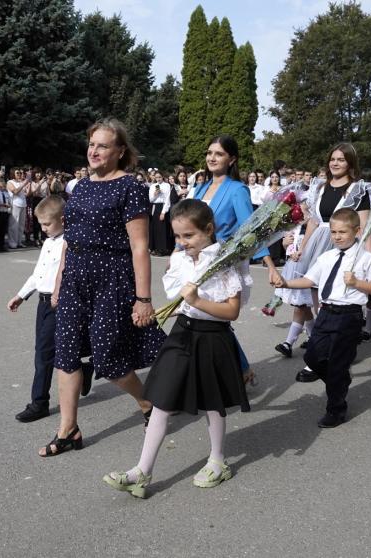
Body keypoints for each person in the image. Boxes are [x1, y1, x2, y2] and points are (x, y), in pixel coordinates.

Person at [103, 199, 250, 498]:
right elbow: (183, 302)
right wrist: (164, 311)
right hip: (182, 334)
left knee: (212, 401)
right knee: (161, 399)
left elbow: (231, 311)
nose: (182, 243)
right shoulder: (181, 258)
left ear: (208, 230)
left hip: (212, 337)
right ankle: (142, 470)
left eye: (189, 236)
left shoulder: (223, 260)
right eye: (178, 236)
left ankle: (218, 460)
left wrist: (196, 302)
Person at [40, 118, 166, 457]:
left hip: (111, 278)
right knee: (65, 354)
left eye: (103, 145)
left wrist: (143, 298)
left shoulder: (130, 187)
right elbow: (70, 239)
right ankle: (68, 430)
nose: (94, 151)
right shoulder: (79, 187)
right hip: (75, 279)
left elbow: (140, 247)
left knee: (109, 359)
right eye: (92, 144)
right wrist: (59, 282)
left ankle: (147, 402)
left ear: (120, 151)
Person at [272, 208, 371, 427]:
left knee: (337, 364)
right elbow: (309, 280)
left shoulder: (366, 259)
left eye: (342, 232)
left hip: (349, 315)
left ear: (357, 231)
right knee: (312, 358)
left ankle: (336, 408)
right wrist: (285, 283)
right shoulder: (327, 256)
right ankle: (340, 381)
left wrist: (357, 283)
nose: (337, 236)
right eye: (333, 232)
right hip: (325, 313)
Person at [274, 143, 370, 382]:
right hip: (318, 245)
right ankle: (320, 355)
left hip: (343, 245)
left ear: (350, 163)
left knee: (338, 301)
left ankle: (339, 352)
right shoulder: (320, 187)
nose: (335, 163)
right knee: (317, 302)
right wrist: (302, 249)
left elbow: (365, 228)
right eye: (332, 159)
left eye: (341, 159)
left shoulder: (359, 189)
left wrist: (366, 260)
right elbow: (314, 223)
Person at [192, 135, 281, 384]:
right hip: (195, 261)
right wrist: (178, 250)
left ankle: (226, 372)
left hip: (220, 263)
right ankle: (240, 369)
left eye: (218, 154)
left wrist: (270, 265)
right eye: (209, 152)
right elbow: (187, 223)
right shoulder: (199, 187)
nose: (212, 158)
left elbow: (252, 230)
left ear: (232, 159)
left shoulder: (237, 190)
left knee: (208, 319)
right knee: (204, 319)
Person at [8, 196, 67, 423]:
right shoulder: (48, 242)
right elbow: (38, 274)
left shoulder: (67, 242)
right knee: (48, 350)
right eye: (40, 225)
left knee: (44, 354)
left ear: (62, 219)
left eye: (47, 224)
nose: (43, 229)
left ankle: (39, 402)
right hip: (42, 304)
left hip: (58, 304)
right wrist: (21, 296)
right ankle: (84, 369)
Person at [147, 170, 171, 256]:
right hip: (154, 207)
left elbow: (167, 199)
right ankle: (155, 248)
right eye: (156, 177)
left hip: (163, 207)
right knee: (154, 228)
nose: (158, 179)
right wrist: (155, 194)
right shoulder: (153, 186)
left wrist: (163, 212)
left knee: (162, 229)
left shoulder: (167, 185)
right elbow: (150, 199)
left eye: (160, 177)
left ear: (163, 177)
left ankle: (162, 249)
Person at [6, 168, 28, 248]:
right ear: (13, 174)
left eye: (20, 173)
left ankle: (19, 242)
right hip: (15, 204)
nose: (19, 174)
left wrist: (26, 183)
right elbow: (15, 191)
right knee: (14, 224)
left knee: (21, 225)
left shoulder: (21, 182)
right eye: (17, 173)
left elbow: (26, 193)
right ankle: (12, 243)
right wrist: (24, 183)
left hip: (23, 204)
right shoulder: (10, 182)